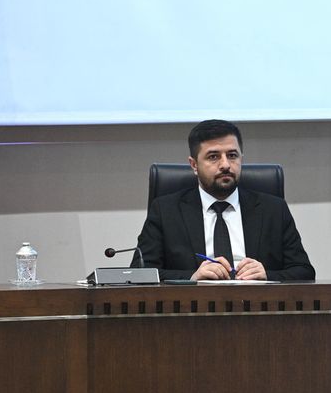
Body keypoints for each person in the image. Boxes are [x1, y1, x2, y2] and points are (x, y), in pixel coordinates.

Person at [135, 119, 315, 281]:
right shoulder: (166, 210)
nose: (226, 165)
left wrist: (267, 274)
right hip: (193, 304)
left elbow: (304, 271)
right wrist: (192, 277)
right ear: (194, 165)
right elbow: (139, 272)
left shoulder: (273, 209)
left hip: (256, 303)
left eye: (232, 155)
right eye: (213, 157)